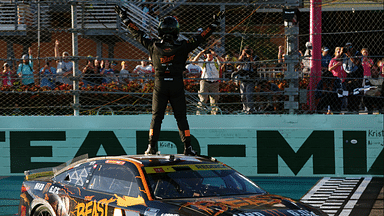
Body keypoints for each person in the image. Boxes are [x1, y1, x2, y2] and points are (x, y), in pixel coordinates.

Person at [115, 5, 224, 155]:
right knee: (181, 118)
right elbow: (201, 37)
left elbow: (137, 33)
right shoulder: (183, 46)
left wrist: (125, 18)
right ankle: (187, 148)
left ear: (160, 30)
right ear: (176, 31)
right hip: (176, 85)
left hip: (160, 86)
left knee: (156, 117)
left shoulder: (153, 45)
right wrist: (214, 24)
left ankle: (151, 147)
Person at [194, 48, 224, 115]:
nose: (209, 54)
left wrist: (216, 55)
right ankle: (199, 114)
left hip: (214, 83)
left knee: (214, 100)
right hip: (205, 82)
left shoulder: (216, 62)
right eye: (208, 53)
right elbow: (194, 62)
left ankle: (214, 114)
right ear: (205, 55)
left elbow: (222, 62)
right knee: (203, 99)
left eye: (211, 53)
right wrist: (200, 53)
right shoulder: (204, 62)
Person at [231, 47, 257, 114]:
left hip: (250, 78)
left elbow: (254, 66)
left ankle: (250, 109)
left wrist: (250, 56)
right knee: (243, 96)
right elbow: (237, 64)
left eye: (249, 50)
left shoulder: (255, 57)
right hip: (243, 78)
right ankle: (244, 109)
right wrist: (242, 55)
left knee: (248, 95)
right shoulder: (243, 58)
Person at [342, 42, 363, 112]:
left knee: (357, 91)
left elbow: (357, 63)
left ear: (353, 47)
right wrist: (341, 52)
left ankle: (356, 107)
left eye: (350, 47)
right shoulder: (344, 54)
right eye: (347, 47)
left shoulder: (358, 54)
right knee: (349, 91)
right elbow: (336, 59)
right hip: (349, 75)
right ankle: (350, 107)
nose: (349, 49)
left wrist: (350, 55)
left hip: (357, 74)